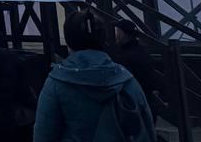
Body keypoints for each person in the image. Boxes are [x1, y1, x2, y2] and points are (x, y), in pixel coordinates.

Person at [34, 10, 155, 142]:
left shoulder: (56, 83)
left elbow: (44, 135)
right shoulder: (127, 80)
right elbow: (146, 130)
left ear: (69, 42)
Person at [110, 20, 162, 116]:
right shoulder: (142, 52)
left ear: (123, 34)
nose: (116, 34)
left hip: (131, 105)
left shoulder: (125, 56)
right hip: (144, 102)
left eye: (118, 31)